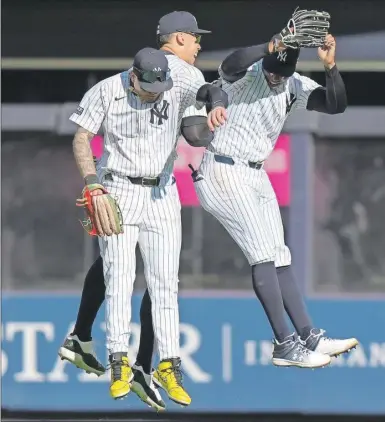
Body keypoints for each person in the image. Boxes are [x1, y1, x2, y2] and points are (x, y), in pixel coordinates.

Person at [61, 33, 227, 407]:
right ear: (133, 76)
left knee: (165, 282)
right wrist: (92, 185)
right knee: (119, 276)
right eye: (149, 85)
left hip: (163, 190)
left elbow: (212, 93)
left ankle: (167, 364)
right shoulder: (107, 90)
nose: (156, 91)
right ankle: (119, 361)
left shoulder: (177, 84)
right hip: (117, 188)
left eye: (161, 85)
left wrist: (217, 104)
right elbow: (82, 138)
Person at [192, 28, 359, 368]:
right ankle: (284, 344)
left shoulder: (293, 83)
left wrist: (330, 68)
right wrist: (271, 47)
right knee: (262, 255)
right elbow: (230, 62)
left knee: (279, 255)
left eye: (279, 72)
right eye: (271, 68)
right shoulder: (248, 71)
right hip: (224, 168)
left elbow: (335, 105)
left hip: (255, 173)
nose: (273, 76)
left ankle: (308, 335)